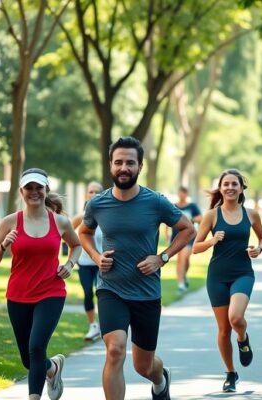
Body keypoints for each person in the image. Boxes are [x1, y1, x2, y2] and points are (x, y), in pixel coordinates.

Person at [78, 137, 195, 400]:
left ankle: (160, 378)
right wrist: (96, 258)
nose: (124, 167)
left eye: (130, 162)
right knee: (115, 350)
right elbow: (84, 232)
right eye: (118, 162)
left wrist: (162, 257)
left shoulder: (155, 202)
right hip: (111, 287)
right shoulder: (98, 203)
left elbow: (188, 229)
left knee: (144, 366)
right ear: (110, 165)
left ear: (139, 166)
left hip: (146, 292)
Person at [0, 168, 81, 400]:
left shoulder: (60, 222)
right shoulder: (10, 222)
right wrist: (3, 246)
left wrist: (69, 265)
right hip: (18, 295)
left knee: (37, 346)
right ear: (21, 191)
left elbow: (76, 246)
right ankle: (52, 368)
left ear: (46, 190)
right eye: (29, 187)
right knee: (29, 359)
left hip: (51, 292)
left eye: (39, 187)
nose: (34, 192)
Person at [192, 169, 262, 393]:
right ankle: (230, 373)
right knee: (223, 329)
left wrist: (259, 248)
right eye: (226, 184)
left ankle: (243, 338)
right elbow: (195, 247)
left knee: (236, 318)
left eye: (234, 184)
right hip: (217, 276)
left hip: (243, 272)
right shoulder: (212, 216)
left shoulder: (251, 214)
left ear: (241, 188)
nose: (230, 188)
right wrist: (212, 240)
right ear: (220, 188)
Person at [71, 181, 104, 341]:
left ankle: (106, 326)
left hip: (102, 263)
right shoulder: (80, 217)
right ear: (86, 194)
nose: (93, 194)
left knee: (103, 294)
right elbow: (67, 235)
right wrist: (72, 256)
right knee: (88, 294)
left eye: (97, 191)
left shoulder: (107, 216)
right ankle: (93, 326)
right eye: (91, 191)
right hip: (84, 263)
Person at [169, 186, 202, 294]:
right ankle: (181, 284)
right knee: (180, 259)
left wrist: (190, 219)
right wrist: (166, 234)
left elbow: (201, 218)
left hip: (189, 236)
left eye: (183, 193)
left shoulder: (192, 206)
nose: (181, 195)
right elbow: (167, 220)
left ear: (186, 194)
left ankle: (184, 276)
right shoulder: (173, 206)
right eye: (180, 193)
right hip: (176, 237)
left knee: (185, 258)